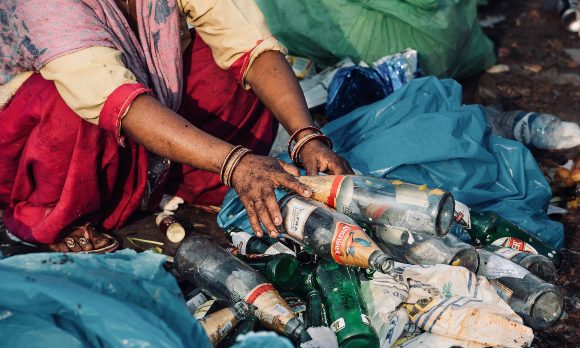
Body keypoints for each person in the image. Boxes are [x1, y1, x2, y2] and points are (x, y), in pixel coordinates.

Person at [0, 0, 352, 253]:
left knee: (223, 65)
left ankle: (183, 184)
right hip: (35, 141)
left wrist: (305, 136)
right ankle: (52, 217)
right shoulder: (42, 6)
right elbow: (112, 97)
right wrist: (236, 162)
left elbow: (249, 42)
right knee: (64, 103)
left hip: (139, 108)